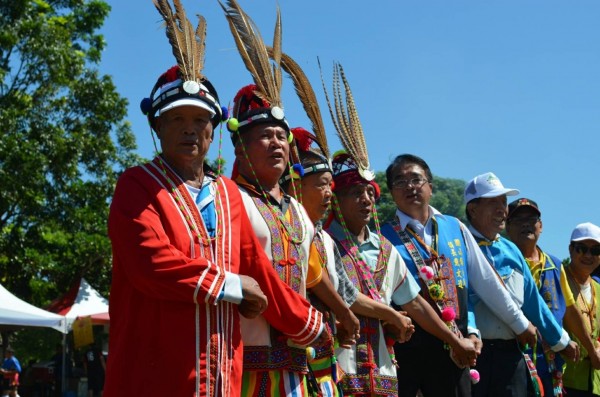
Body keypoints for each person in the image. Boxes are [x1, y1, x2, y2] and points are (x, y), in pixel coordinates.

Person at [104, 2, 324, 395]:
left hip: (223, 373)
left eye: (200, 120)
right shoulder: (136, 185)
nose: (190, 131)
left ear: (214, 129)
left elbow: (259, 270)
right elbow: (150, 263)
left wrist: (308, 322)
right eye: (177, 119)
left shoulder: (226, 192)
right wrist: (232, 286)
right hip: (155, 373)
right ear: (157, 125)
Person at [380, 154, 537, 397]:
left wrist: (515, 323)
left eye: (416, 179)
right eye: (400, 182)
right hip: (408, 354)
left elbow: (484, 282)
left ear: (430, 187)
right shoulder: (383, 238)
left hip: (456, 352)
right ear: (391, 192)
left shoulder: (455, 227)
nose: (409, 187)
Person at [284, 128, 417, 396]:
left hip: (360, 362)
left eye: (329, 186)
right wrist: (386, 313)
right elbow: (345, 296)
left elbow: (344, 292)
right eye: (321, 185)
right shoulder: (295, 230)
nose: (327, 194)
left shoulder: (324, 239)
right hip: (311, 357)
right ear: (296, 187)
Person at [464, 172, 578, 397]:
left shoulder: (511, 250)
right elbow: (462, 297)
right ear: (472, 209)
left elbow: (534, 301)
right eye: (492, 202)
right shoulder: (460, 246)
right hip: (475, 355)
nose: (501, 209)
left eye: (503, 202)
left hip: (512, 357)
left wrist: (561, 340)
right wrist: (470, 331)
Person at [507, 198, 600, 396]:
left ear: (540, 226)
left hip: (549, 367)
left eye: (531, 219)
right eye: (518, 220)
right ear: (506, 226)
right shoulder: (500, 261)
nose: (526, 224)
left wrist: (592, 351)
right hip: (511, 361)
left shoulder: (554, 266)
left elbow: (571, 311)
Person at [563, 222, 600, 396]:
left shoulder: (599, 288)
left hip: (595, 382)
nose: (588, 255)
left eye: (595, 250)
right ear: (571, 249)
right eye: (581, 248)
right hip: (564, 377)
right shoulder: (558, 278)